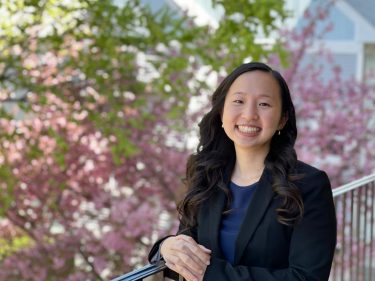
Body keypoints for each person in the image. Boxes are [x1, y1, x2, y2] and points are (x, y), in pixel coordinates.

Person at [148, 62, 337, 281]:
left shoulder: (309, 185)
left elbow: (307, 278)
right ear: (221, 111)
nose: (249, 115)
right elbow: (188, 252)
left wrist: (212, 275)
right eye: (238, 101)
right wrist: (165, 247)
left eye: (264, 104)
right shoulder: (207, 174)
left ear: (282, 119)